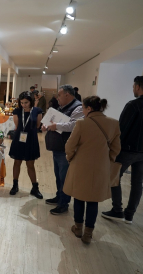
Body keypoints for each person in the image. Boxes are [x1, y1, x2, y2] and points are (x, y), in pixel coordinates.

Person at [102, 76, 143, 224]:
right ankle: (129, 215)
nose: (133, 89)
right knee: (138, 182)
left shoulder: (133, 105)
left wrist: (113, 146)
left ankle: (117, 210)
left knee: (114, 178)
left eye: (133, 86)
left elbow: (121, 129)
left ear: (138, 87)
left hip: (127, 150)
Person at [63, 96, 121, 244]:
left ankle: (78, 228)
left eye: (83, 107)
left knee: (79, 197)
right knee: (93, 201)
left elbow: (70, 146)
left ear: (89, 108)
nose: (82, 110)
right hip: (101, 167)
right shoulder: (114, 123)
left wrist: (70, 158)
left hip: (81, 165)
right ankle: (88, 234)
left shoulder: (82, 123)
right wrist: (107, 161)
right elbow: (116, 148)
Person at [42, 84, 84, 215]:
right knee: (58, 175)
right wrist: (47, 125)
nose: (57, 97)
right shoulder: (62, 107)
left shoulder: (78, 108)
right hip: (58, 147)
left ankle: (63, 203)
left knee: (64, 177)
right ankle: (59, 196)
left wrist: (56, 125)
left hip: (66, 149)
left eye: (59, 95)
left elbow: (75, 125)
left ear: (67, 94)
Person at [8, 91, 43, 199]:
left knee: (30, 164)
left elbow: (37, 125)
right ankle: (15, 185)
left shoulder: (37, 111)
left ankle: (35, 188)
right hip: (19, 139)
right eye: (22, 103)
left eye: (26, 102)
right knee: (17, 162)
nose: (24, 105)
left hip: (31, 139)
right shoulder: (17, 111)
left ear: (31, 101)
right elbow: (18, 125)